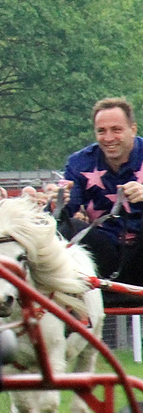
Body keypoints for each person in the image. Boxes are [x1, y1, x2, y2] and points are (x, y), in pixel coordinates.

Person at [59, 98, 143, 286]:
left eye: (116, 130)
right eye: (101, 131)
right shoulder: (79, 162)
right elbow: (66, 212)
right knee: (69, 227)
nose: (109, 138)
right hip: (105, 253)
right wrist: (57, 204)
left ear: (133, 129)